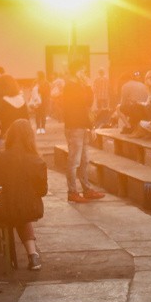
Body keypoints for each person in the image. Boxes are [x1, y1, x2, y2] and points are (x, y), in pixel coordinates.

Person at [0, 119, 48, 270]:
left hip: (0, 209)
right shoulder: (37, 161)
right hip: (28, 209)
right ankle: (33, 256)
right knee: (21, 215)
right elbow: (42, 191)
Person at [59, 70, 106, 204]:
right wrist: (87, 86)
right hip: (75, 127)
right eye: (83, 71)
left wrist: (90, 126)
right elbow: (83, 103)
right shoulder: (70, 87)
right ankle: (72, 192)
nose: (85, 75)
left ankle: (87, 189)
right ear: (77, 72)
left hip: (82, 126)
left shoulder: (78, 86)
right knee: (74, 162)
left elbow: (88, 104)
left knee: (85, 160)